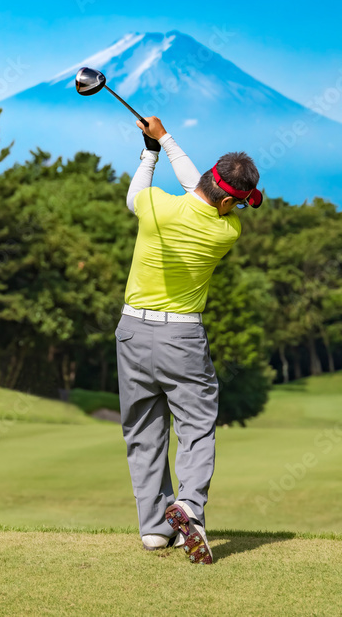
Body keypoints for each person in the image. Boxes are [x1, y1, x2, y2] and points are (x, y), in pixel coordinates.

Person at [115, 116, 262, 565]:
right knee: (196, 426)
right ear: (230, 204)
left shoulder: (156, 207)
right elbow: (204, 193)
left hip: (133, 331)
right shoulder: (226, 230)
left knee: (143, 429)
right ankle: (190, 509)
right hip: (183, 336)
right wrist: (165, 141)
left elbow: (140, 193)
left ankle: (155, 530)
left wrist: (152, 150)